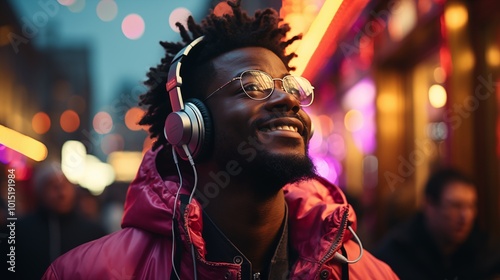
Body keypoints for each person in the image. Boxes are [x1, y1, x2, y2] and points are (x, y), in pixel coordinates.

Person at [42, 1, 398, 279]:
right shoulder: (84, 273)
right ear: (191, 125)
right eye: (253, 85)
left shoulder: (368, 273)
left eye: (292, 86)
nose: (288, 99)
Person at [374, 168, 500, 279]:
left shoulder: (486, 253)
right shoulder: (397, 253)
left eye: (471, 206)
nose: (465, 216)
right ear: (429, 205)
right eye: (455, 206)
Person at [5, 162, 106, 280]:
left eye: (65, 185)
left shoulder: (94, 233)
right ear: (40, 191)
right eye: (53, 186)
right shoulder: (18, 231)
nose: (61, 193)